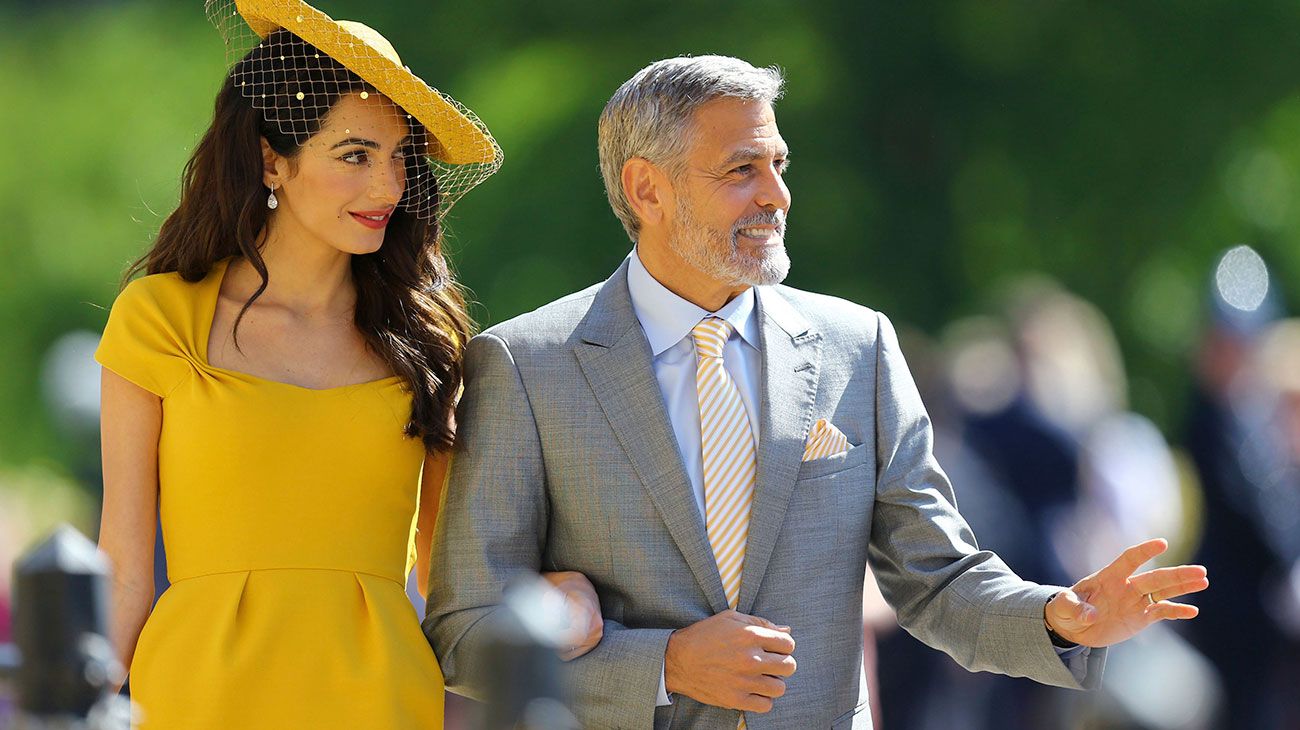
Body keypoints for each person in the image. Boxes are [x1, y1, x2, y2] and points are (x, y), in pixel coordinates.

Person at [424, 55, 1210, 728]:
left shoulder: (857, 348)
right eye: (741, 169)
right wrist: (664, 665)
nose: (777, 194)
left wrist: (1056, 616)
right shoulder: (526, 365)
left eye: (778, 164)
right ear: (647, 190)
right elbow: (467, 633)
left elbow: (935, 580)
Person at [94, 1, 599, 727]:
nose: (388, 188)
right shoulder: (160, 317)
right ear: (272, 158)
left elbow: (452, 572)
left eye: (399, 159)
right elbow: (124, 566)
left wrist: (563, 608)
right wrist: (66, 709)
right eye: (355, 155)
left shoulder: (428, 342)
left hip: (382, 700)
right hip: (192, 697)